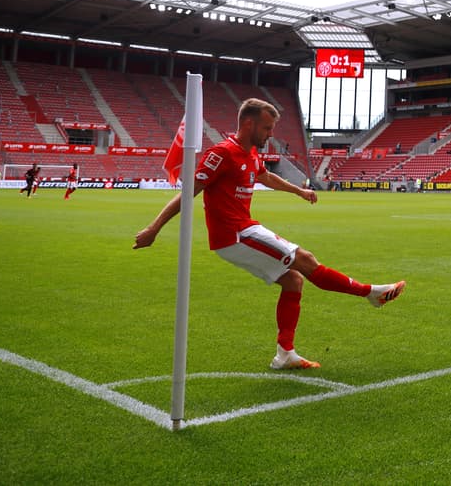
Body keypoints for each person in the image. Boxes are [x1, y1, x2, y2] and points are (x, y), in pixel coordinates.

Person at [134, 98, 405, 370]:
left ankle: (285, 353)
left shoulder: (250, 152)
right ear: (248, 123)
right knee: (306, 260)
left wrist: (299, 191)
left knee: (293, 282)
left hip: (245, 230)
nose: (271, 134)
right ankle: (370, 293)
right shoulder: (222, 154)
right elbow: (189, 191)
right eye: (266, 128)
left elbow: (267, 178)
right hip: (235, 234)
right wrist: (153, 228)